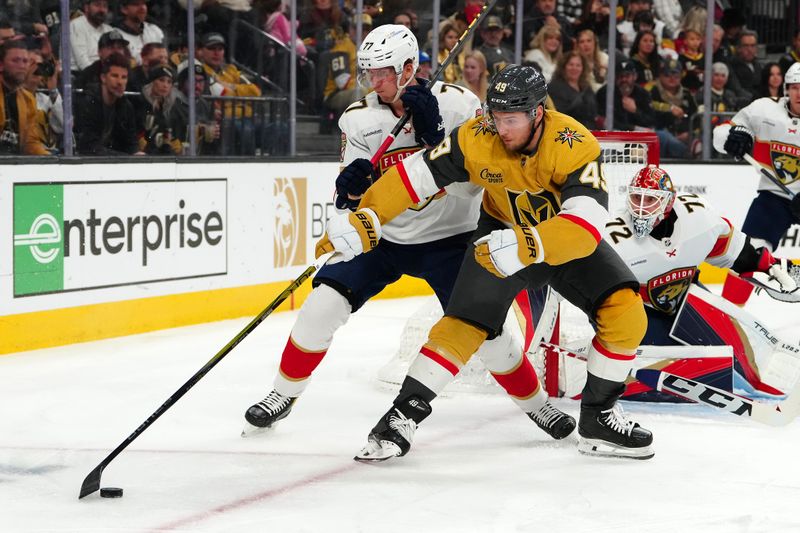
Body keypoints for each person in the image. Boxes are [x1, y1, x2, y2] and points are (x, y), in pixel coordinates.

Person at [243, 29, 575, 450]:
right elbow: (353, 203)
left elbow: (474, 186)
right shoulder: (357, 118)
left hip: (453, 239)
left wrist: (436, 140)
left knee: (489, 330)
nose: (373, 83)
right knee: (320, 306)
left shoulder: (460, 105)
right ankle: (283, 394)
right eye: (367, 74)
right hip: (384, 238)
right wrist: (350, 191)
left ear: (407, 68)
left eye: (381, 73)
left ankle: (538, 406)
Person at [317, 64, 654, 461]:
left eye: (510, 119)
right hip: (497, 237)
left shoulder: (574, 142)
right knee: (466, 321)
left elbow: (585, 225)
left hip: (560, 240)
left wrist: (527, 243)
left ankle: (598, 419)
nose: (500, 128)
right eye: (495, 117)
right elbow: (414, 177)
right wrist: (367, 216)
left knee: (628, 312)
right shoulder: (477, 136)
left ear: (537, 113)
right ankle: (400, 415)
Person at [603, 165, 797, 391]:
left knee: (734, 355)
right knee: (677, 361)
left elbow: (734, 252)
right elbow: (591, 288)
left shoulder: (697, 217)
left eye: (651, 200)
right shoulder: (613, 236)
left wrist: (769, 266)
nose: (641, 209)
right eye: (637, 198)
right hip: (637, 310)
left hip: (687, 297)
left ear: (668, 201)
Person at [713, 62, 800, 305]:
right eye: (795, 87)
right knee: (748, 253)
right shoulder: (764, 109)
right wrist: (733, 138)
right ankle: (729, 313)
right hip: (773, 197)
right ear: (786, 89)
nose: (799, 93)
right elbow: (722, 133)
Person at [74, 53, 142, 156]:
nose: (120, 82)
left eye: (124, 77)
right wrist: (125, 158)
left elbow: (131, 144)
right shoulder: (87, 102)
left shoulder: (127, 106)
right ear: (103, 78)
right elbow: (88, 146)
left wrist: (137, 155)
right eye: (115, 76)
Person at [0, 39, 48, 155]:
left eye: (25, 61)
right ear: (1, 65)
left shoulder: (28, 100)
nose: (22, 66)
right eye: (15, 61)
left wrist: (49, 160)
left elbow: (31, 143)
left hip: (15, 165)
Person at [649, 58, 697, 158]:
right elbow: (649, 111)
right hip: (659, 133)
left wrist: (689, 133)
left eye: (676, 75)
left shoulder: (687, 94)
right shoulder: (652, 91)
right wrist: (669, 109)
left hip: (685, 135)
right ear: (660, 76)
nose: (672, 78)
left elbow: (695, 117)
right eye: (667, 75)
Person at [596, 59, 656, 131]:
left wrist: (635, 111)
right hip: (613, 134)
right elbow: (601, 120)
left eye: (627, 76)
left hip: (639, 135)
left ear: (635, 76)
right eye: (620, 76)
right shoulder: (605, 93)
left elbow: (651, 120)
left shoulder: (643, 94)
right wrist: (633, 128)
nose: (624, 79)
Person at [548, 50, 597, 129]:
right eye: (571, 64)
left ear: (583, 68)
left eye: (578, 65)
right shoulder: (554, 88)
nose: (574, 68)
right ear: (564, 67)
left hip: (589, 132)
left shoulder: (587, 88)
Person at [113, 0, 165, 65]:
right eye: (136, 4)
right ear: (124, 9)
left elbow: (165, 58)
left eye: (143, 3)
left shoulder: (154, 30)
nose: (142, 7)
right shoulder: (115, 35)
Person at [70, 0, 112, 73]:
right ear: (86, 7)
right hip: (78, 75)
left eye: (105, 6)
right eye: (97, 5)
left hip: (104, 75)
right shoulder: (76, 25)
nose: (101, 10)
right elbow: (83, 63)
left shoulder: (109, 29)